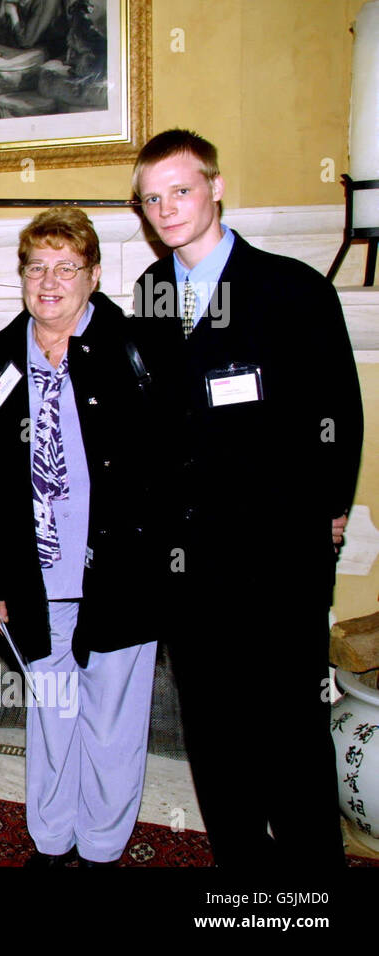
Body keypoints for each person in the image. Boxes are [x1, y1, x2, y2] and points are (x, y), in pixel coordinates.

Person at [131, 129, 363, 866]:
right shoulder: (151, 293)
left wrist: (324, 514)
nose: (166, 208)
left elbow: (338, 414)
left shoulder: (292, 288)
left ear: (216, 187)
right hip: (189, 567)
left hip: (277, 559)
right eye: (152, 198)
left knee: (290, 737)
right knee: (215, 738)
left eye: (180, 190)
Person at [0, 207, 167, 867]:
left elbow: (169, 466)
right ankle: (51, 841)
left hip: (119, 572)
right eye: (37, 266)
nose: (50, 281)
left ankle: (102, 847)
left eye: (67, 267)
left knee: (112, 724)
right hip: (30, 578)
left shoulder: (135, 352)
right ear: (21, 275)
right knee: (53, 717)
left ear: (94, 275)